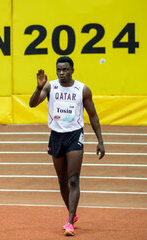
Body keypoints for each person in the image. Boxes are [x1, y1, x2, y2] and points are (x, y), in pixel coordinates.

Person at [29, 56, 105, 236]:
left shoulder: (82, 89)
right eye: (59, 70)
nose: (61, 73)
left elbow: (93, 116)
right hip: (56, 136)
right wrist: (39, 87)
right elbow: (33, 103)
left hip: (74, 136)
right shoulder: (50, 87)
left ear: (72, 70)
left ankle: (70, 221)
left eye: (65, 70)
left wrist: (100, 140)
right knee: (62, 181)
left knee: (73, 179)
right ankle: (73, 212)